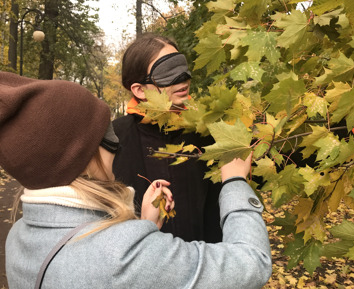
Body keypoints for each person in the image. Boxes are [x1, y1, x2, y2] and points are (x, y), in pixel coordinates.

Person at [1, 71, 272, 289]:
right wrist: (235, 182)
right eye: (104, 133)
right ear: (78, 157)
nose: (115, 142)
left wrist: (142, 227)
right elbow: (253, 264)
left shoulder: (19, 236)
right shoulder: (120, 255)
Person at [113, 33, 223, 242]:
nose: (183, 78)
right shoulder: (113, 140)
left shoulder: (209, 130)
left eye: (181, 66)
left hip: (207, 264)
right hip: (144, 266)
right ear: (139, 90)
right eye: (167, 71)